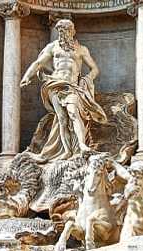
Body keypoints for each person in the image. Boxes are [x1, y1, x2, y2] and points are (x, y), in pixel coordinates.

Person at [20, 19, 108, 161]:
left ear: (72, 31)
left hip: (71, 86)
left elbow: (95, 69)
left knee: (73, 113)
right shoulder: (52, 47)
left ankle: (81, 145)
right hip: (55, 84)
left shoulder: (81, 49)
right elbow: (38, 63)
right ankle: (67, 151)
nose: (62, 34)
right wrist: (27, 76)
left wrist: (87, 79)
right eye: (60, 31)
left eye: (65, 31)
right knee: (61, 119)